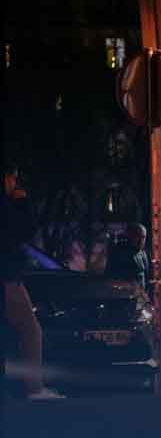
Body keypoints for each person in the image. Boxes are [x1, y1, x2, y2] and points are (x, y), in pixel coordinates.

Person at [3, 167, 65, 399]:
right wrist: (23, 202)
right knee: (31, 330)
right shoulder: (7, 205)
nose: (15, 181)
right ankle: (34, 388)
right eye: (12, 176)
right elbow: (25, 229)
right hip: (8, 279)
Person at [104, 223, 148, 288]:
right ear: (130, 236)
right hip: (124, 295)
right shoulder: (118, 254)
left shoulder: (143, 254)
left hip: (140, 295)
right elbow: (108, 280)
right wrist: (128, 285)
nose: (140, 240)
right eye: (137, 236)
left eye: (143, 237)